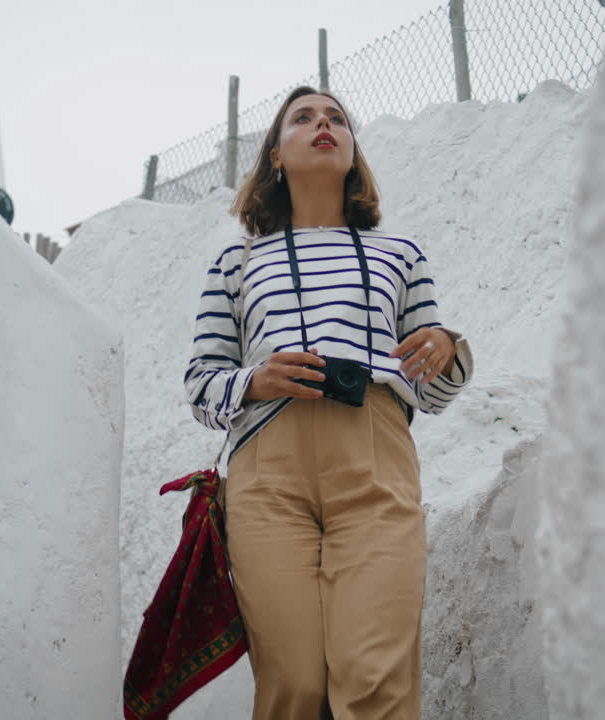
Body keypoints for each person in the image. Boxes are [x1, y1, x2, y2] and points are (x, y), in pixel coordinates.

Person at [183, 85, 473, 720]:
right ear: (276, 156)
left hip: (374, 453)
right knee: (293, 687)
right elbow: (201, 382)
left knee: (374, 682)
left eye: (337, 119)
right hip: (268, 471)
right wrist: (254, 381)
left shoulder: (401, 255)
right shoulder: (237, 260)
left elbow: (430, 387)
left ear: (351, 152)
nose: (323, 124)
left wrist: (447, 348)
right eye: (303, 118)